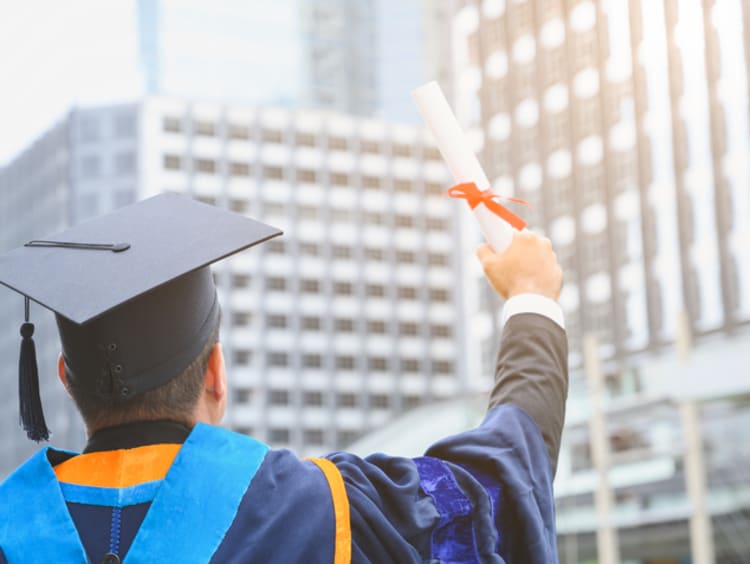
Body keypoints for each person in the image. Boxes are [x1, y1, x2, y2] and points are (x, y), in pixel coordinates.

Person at [0, 192, 566, 563]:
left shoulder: (11, 529)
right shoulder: (325, 510)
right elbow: (494, 484)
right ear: (215, 374)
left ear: (66, 379)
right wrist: (531, 299)